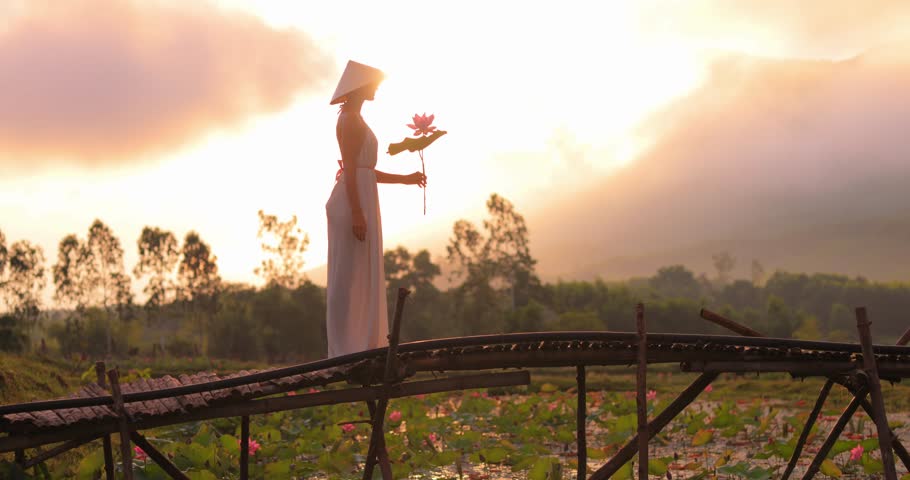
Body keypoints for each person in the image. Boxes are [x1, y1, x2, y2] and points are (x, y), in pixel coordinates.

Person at [325, 60, 426, 358]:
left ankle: (362, 343)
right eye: (374, 85)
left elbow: (365, 171)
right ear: (360, 87)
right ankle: (347, 347)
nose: (377, 90)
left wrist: (406, 180)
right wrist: (357, 212)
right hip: (353, 203)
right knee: (349, 275)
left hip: (361, 198)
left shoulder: (355, 118)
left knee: (360, 272)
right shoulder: (350, 120)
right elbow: (353, 172)